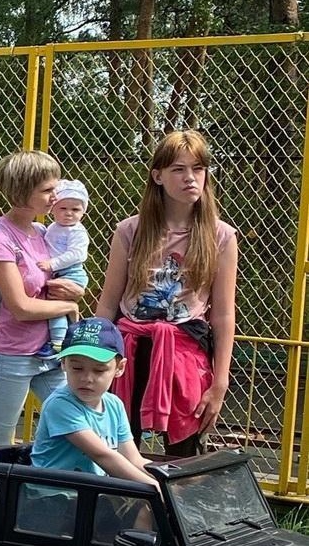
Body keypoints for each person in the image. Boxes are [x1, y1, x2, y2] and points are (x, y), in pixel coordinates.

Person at [94, 130, 237, 458]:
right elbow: (109, 301)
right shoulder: (129, 230)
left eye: (198, 169)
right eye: (178, 169)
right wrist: (91, 355)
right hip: (129, 351)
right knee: (116, 450)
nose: (190, 178)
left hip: (185, 352)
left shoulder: (221, 236)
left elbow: (223, 314)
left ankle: (173, 510)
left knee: (185, 457)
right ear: (158, 176)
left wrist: (220, 382)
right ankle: (121, 508)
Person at [0, 150, 85, 448]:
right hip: (13, 354)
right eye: (47, 190)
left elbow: (56, 281)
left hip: (49, 353)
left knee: (78, 425)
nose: (56, 196)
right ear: (23, 191)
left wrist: (74, 290)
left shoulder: (40, 231)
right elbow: (20, 307)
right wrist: (69, 306)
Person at [32, 318, 154, 485]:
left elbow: (133, 459)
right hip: (54, 496)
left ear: (120, 368)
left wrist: (170, 481)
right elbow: (103, 455)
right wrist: (156, 489)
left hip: (90, 494)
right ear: (63, 364)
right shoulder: (60, 404)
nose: (87, 378)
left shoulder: (114, 405)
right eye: (77, 368)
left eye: (99, 370)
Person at [42, 180, 91, 354]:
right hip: (59, 272)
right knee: (58, 309)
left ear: (83, 212)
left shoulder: (76, 231)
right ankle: (67, 335)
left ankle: (57, 344)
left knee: (55, 307)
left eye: (75, 209)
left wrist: (52, 264)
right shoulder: (52, 228)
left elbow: (78, 254)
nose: (69, 213)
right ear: (53, 209)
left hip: (71, 273)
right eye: (63, 208)